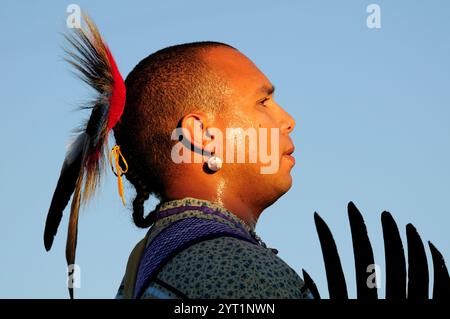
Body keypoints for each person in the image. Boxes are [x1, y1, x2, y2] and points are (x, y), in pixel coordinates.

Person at [44, 14, 311, 299]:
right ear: (201, 135)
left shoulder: (151, 263)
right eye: (263, 102)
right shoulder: (237, 270)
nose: (288, 121)